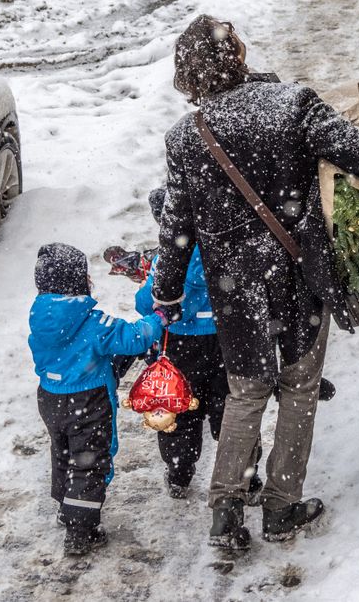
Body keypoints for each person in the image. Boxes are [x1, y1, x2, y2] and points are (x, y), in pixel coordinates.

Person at [151, 15, 359, 549]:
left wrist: (168, 291)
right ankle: (280, 506)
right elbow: (355, 149)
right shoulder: (291, 104)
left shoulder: (186, 138)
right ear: (238, 57)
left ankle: (226, 510)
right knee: (299, 388)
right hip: (298, 277)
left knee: (246, 391)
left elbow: (176, 228)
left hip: (234, 288)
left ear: (189, 77)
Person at [28, 242, 167, 556]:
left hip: (50, 398)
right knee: (89, 462)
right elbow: (134, 338)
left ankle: (66, 507)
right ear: (77, 283)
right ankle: (81, 531)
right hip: (87, 400)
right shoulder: (91, 323)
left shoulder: (40, 317)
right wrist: (158, 319)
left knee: (62, 452)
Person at [134, 187, 264, 501]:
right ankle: (247, 473)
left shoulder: (169, 259)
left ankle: (179, 473)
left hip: (180, 346)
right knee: (231, 408)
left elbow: (145, 303)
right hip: (224, 342)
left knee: (180, 408)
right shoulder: (220, 248)